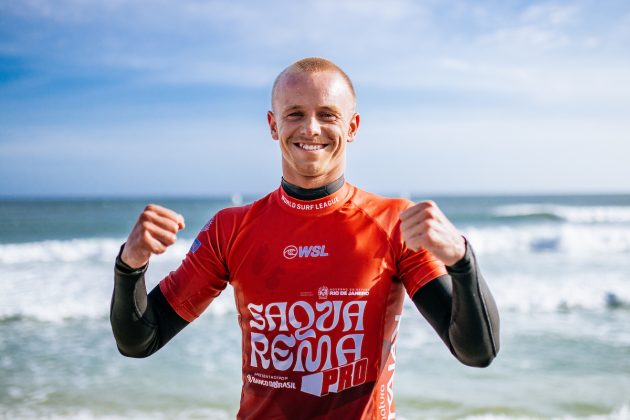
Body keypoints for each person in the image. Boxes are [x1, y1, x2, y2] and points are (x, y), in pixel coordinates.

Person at [110, 57, 500, 419]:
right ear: (273, 124)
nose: (310, 128)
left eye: (327, 115)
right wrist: (131, 265)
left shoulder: (393, 221)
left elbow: (476, 351)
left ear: (352, 127)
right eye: (295, 113)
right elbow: (141, 339)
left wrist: (462, 261)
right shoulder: (231, 229)